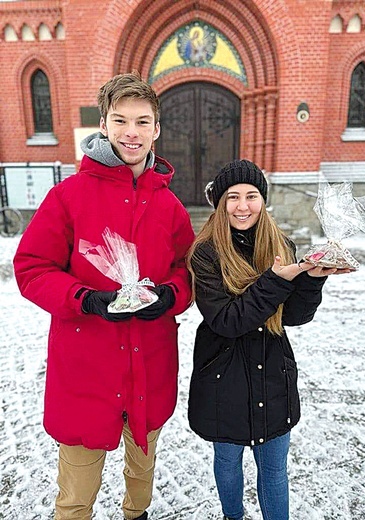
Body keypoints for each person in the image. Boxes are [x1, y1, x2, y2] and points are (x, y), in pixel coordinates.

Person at [13, 72, 195, 520]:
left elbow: (189, 270)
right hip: (86, 368)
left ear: (156, 129)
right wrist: (86, 299)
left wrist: (169, 298)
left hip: (149, 365)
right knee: (76, 494)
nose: (131, 132)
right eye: (120, 121)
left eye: (142, 121)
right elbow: (32, 267)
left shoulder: (169, 205)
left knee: (141, 477)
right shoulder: (68, 196)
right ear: (105, 125)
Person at [186, 159, 351, 520]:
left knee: (275, 467)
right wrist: (277, 279)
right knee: (228, 460)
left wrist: (311, 279)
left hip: (272, 371)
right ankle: (233, 516)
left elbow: (294, 316)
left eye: (251, 196)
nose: (242, 206)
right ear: (220, 203)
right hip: (222, 375)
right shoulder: (205, 253)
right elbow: (227, 321)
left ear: (263, 200)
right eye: (233, 197)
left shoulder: (282, 245)